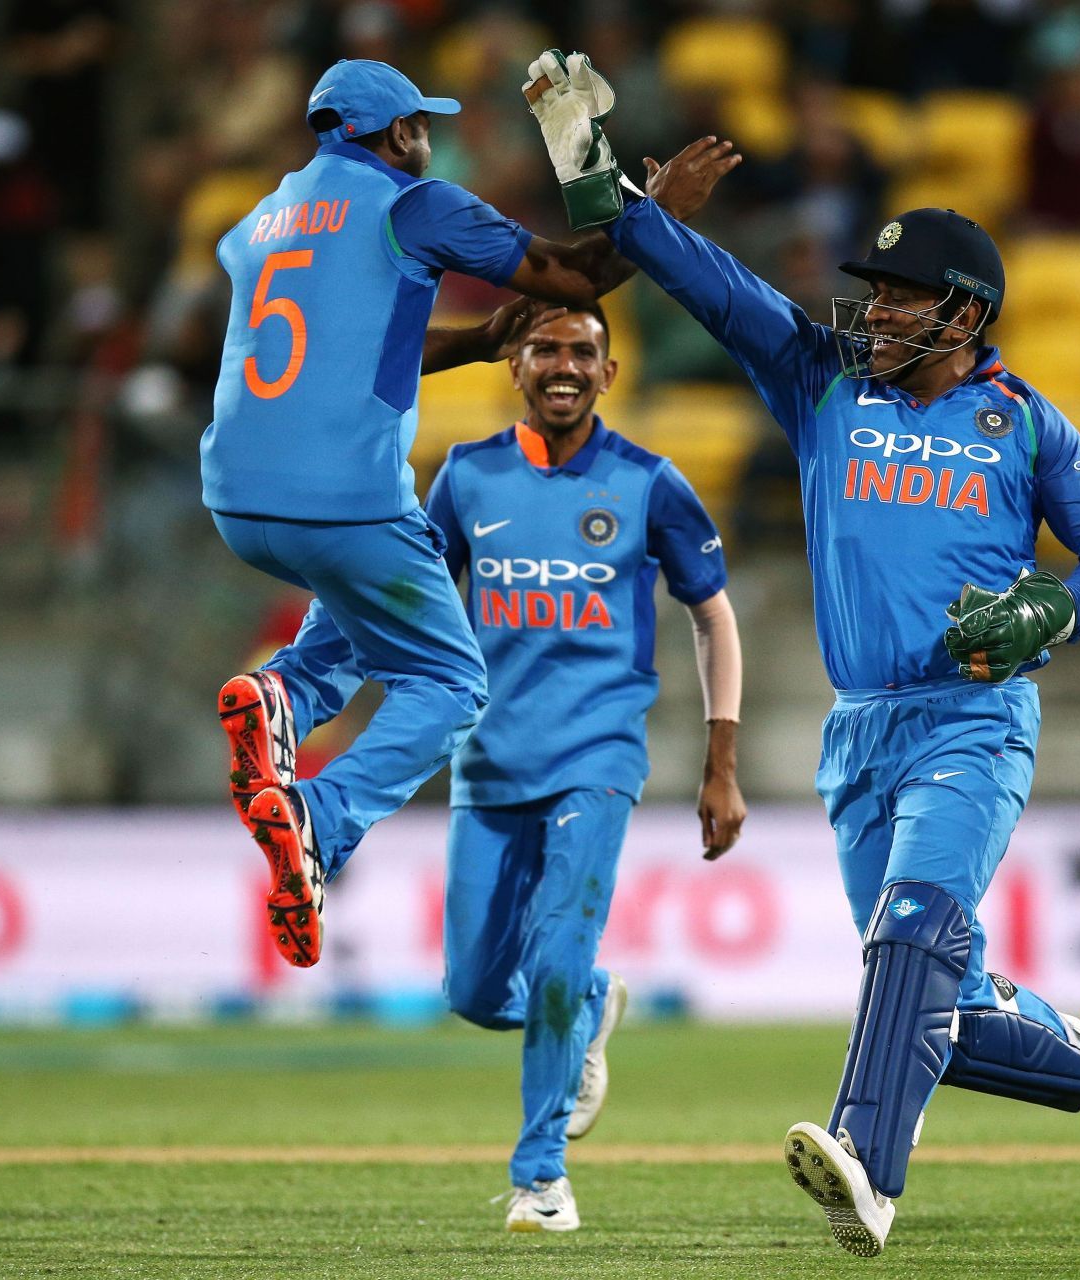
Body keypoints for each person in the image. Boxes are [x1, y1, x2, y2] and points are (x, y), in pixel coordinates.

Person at [589, 136, 1080, 1257]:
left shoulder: (1025, 420)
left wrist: (1052, 610)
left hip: (972, 718)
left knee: (909, 937)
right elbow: (717, 291)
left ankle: (866, 1166)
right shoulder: (822, 383)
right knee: (934, 1000)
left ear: (964, 313)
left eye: (900, 298)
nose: (876, 314)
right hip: (860, 731)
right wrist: (614, 197)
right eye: (875, 294)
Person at [205, 55, 649, 969]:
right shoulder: (415, 202)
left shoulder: (262, 218)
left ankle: (280, 692)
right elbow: (574, 279)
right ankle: (317, 823)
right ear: (395, 133)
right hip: (344, 500)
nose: (429, 139)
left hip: (238, 500)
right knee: (450, 683)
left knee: (357, 621)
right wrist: (663, 210)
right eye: (421, 125)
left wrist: (481, 341)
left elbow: (330, 345)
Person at [422, 304, 746, 1233]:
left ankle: (542, 1179)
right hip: (487, 761)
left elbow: (713, 613)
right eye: (546, 350)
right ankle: (592, 1007)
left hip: (597, 755)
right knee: (477, 994)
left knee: (559, 954)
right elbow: (418, 605)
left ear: (609, 374)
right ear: (515, 367)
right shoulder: (465, 477)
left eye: (583, 352)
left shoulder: (650, 483)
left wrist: (721, 760)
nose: (564, 366)